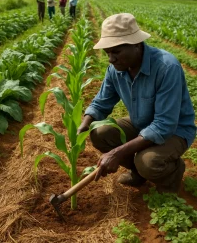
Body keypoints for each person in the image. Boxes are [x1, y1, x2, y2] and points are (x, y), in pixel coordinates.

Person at [77, 13, 196, 194]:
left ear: (136, 45)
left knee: (147, 162)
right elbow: (101, 102)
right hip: (141, 122)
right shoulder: (115, 69)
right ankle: (138, 173)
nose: (110, 59)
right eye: (107, 53)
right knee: (100, 133)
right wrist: (83, 125)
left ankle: (171, 177)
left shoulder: (166, 67)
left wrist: (117, 153)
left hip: (174, 130)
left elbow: (164, 125)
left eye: (116, 52)